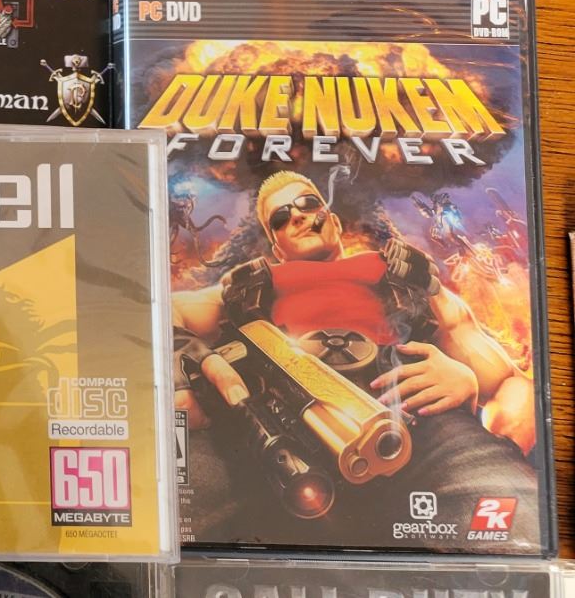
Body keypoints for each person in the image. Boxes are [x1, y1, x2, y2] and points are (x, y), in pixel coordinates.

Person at [172, 172, 540, 536]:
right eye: (280, 218)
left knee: (514, 519)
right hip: (270, 431)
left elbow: (511, 384)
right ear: (276, 246)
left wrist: (489, 425)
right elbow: (163, 311)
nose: (296, 215)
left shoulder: (406, 274)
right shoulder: (248, 284)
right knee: (185, 527)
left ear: (332, 221)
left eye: (307, 203)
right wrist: (188, 360)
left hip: (411, 417)